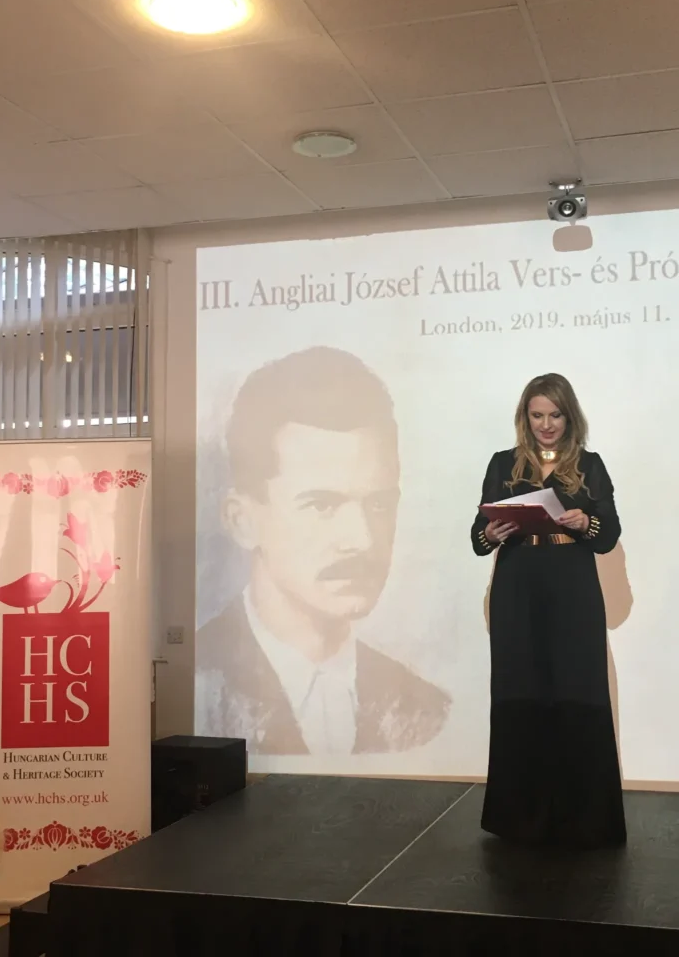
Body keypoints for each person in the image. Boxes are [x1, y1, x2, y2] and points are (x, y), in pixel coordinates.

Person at [197, 346, 450, 755]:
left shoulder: (427, 710)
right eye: (321, 505)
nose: (362, 540)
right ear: (242, 520)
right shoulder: (196, 685)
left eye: (379, 505)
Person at [471, 373, 626, 848]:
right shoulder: (503, 463)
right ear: (525, 417)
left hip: (572, 587)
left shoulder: (590, 465)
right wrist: (490, 533)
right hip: (517, 587)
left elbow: (608, 535)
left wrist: (585, 520)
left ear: (569, 416)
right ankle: (520, 818)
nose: (546, 424)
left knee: (577, 693)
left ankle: (585, 819)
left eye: (554, 415)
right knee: (519, 693)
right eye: (537, 415)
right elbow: (478, 536)